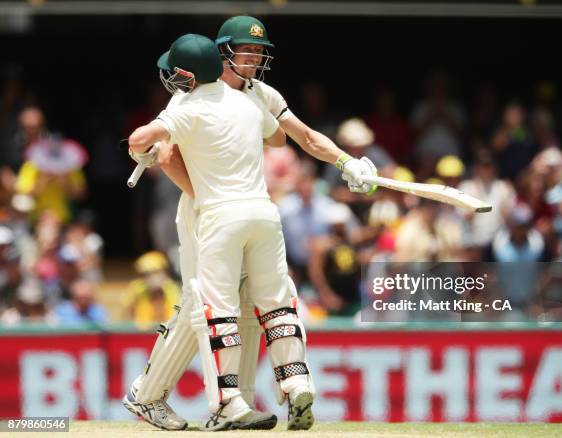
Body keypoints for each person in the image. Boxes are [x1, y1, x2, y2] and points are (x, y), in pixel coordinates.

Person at [125, 17, 378, 431]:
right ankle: (154, 396)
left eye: (260, 51)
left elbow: (305, 137)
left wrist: (346, 162)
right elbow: (167, 157)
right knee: (200, 302)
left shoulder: (260, 94)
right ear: (222, 53)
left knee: (246, 304)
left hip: (241, 210)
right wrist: (208, 198)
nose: (255, 58)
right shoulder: (191, 95)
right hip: (201, 209)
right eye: (247, 50)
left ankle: (235, 404)